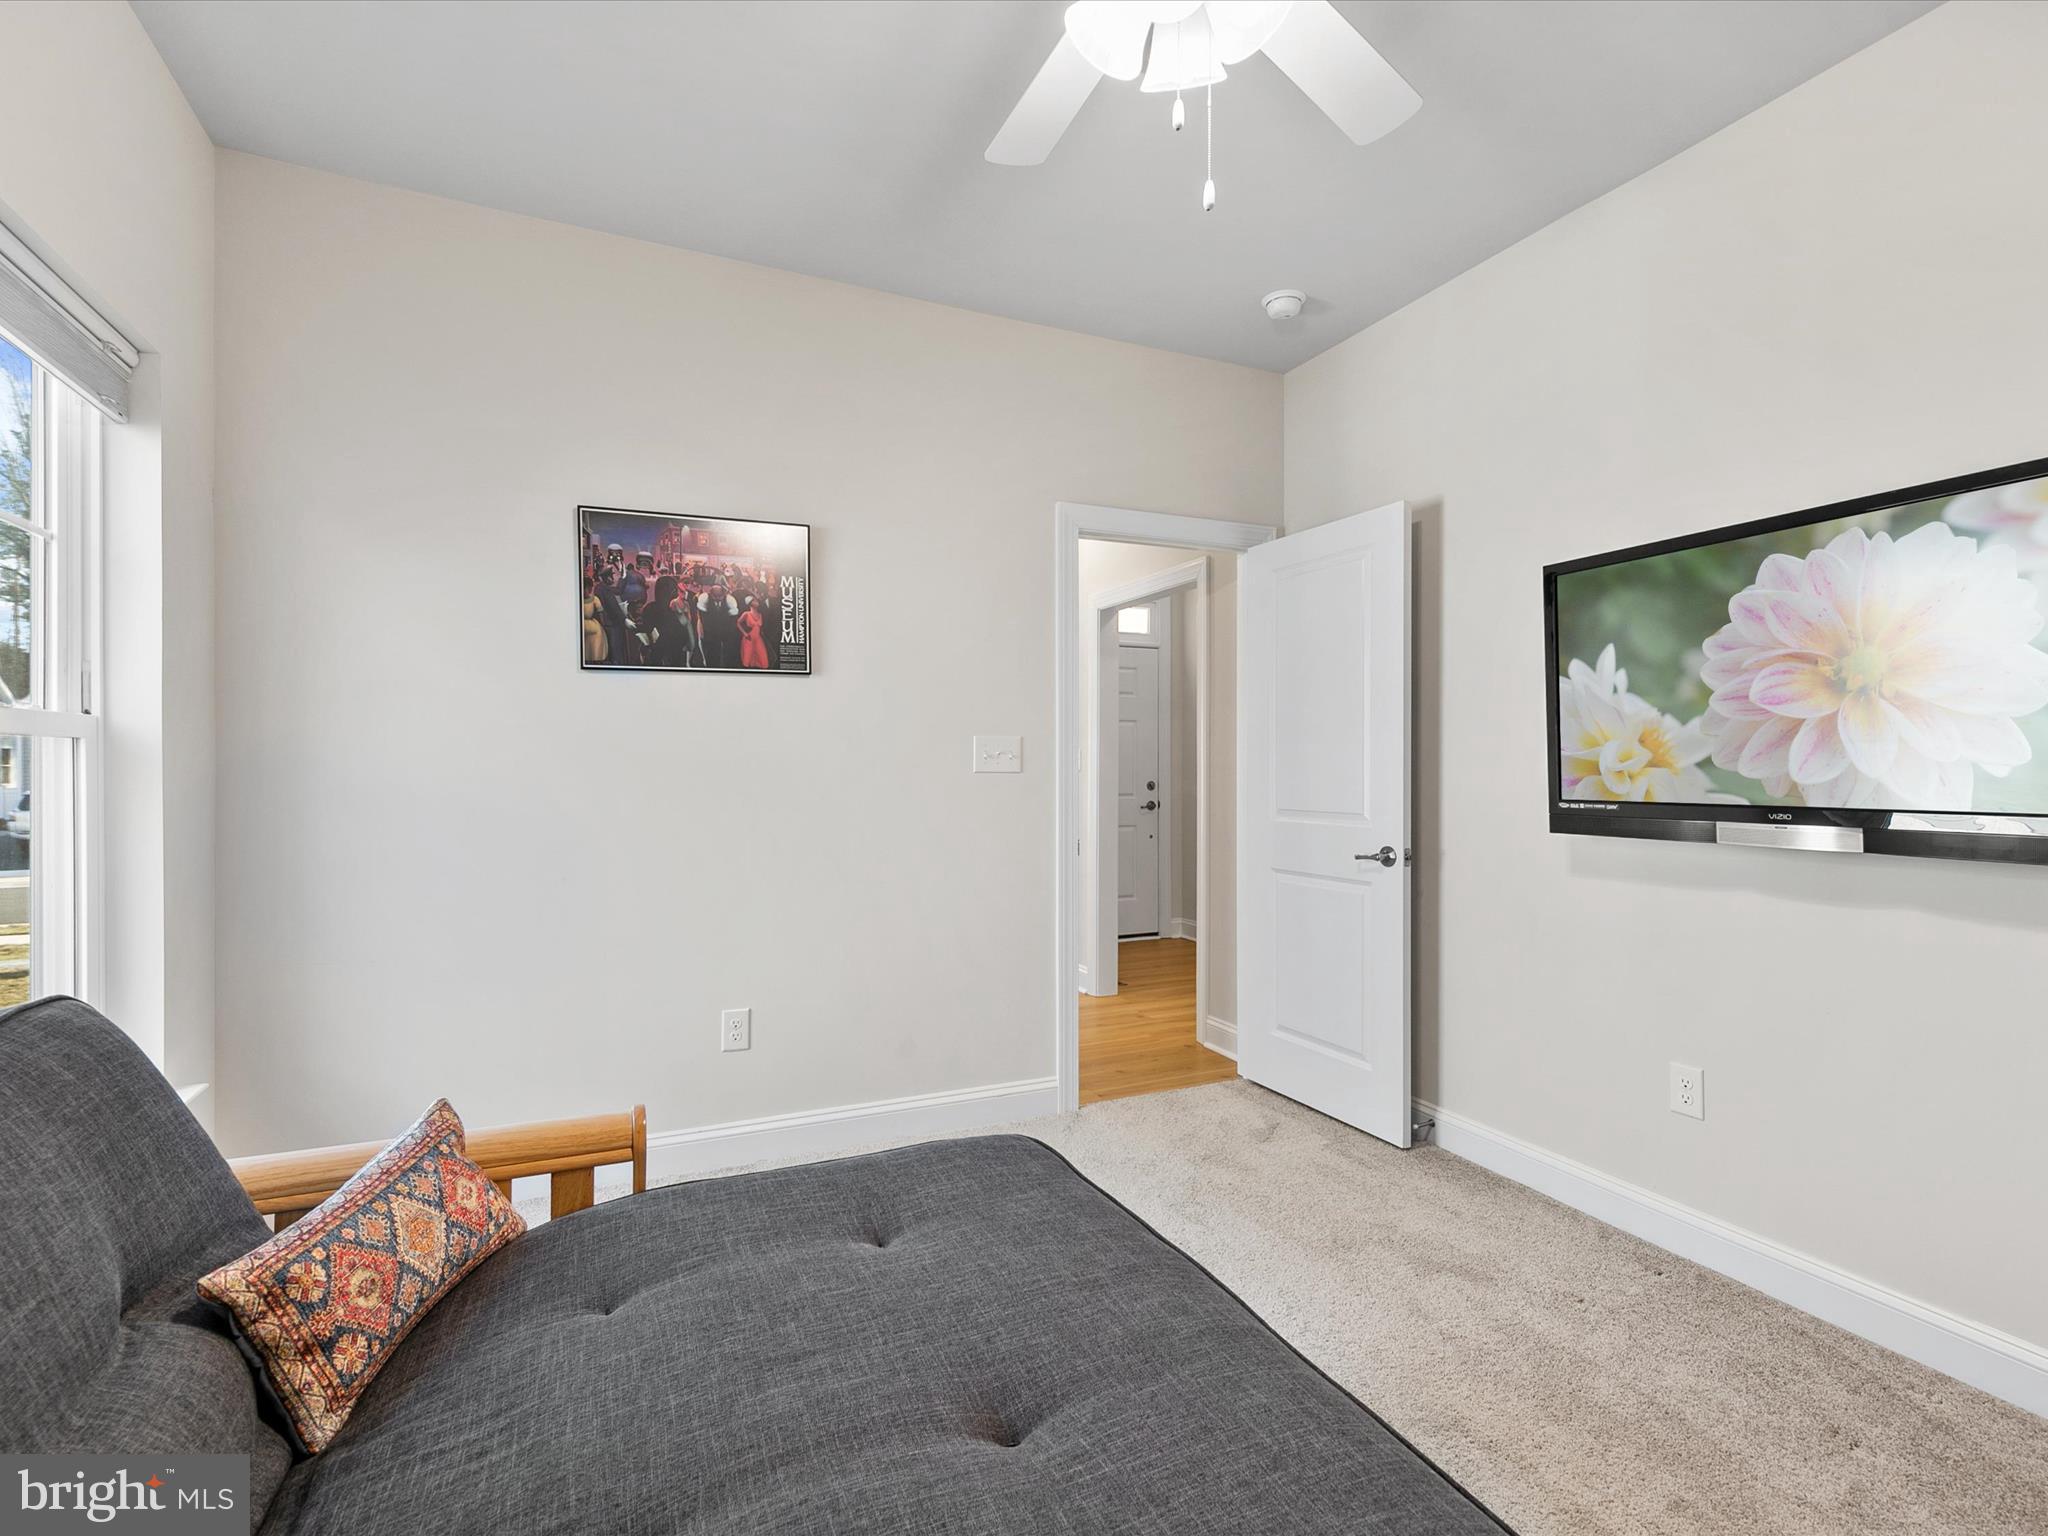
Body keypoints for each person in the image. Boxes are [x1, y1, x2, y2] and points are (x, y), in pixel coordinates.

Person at [636, 575, 695, 667]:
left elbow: (646, 629)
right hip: (676, 649)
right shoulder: (677, 607)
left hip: (657, 650)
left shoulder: (650, 607)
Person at [698, 579, 741, 668]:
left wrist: (728, 632)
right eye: (715, 597)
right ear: (711, 594)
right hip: (710, 631)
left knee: (725, 652)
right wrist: (705, 630)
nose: (717, 599)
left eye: (719, 597)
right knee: (711, 651)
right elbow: (702, 617)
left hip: (724, 631)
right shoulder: (705, 599)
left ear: (723, 594)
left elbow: (733, 618)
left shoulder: (729, 600)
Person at [581, 576, 609, 664]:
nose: (589, 590)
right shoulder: (594, 599)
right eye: (588, 588)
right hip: (589, 626)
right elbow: (601, 613)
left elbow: (600, 612)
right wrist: (603, 624)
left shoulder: (594, 599)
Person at [737, 594, 769, 669]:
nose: (757, 602)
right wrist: (745, 634)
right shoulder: (746, 614)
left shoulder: (760, 615)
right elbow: (738, 623)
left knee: (764, 660)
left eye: (756, 600)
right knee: (746, 660)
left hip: (758, 638)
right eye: (754, 601)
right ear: (750, 603)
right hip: (749, 638)